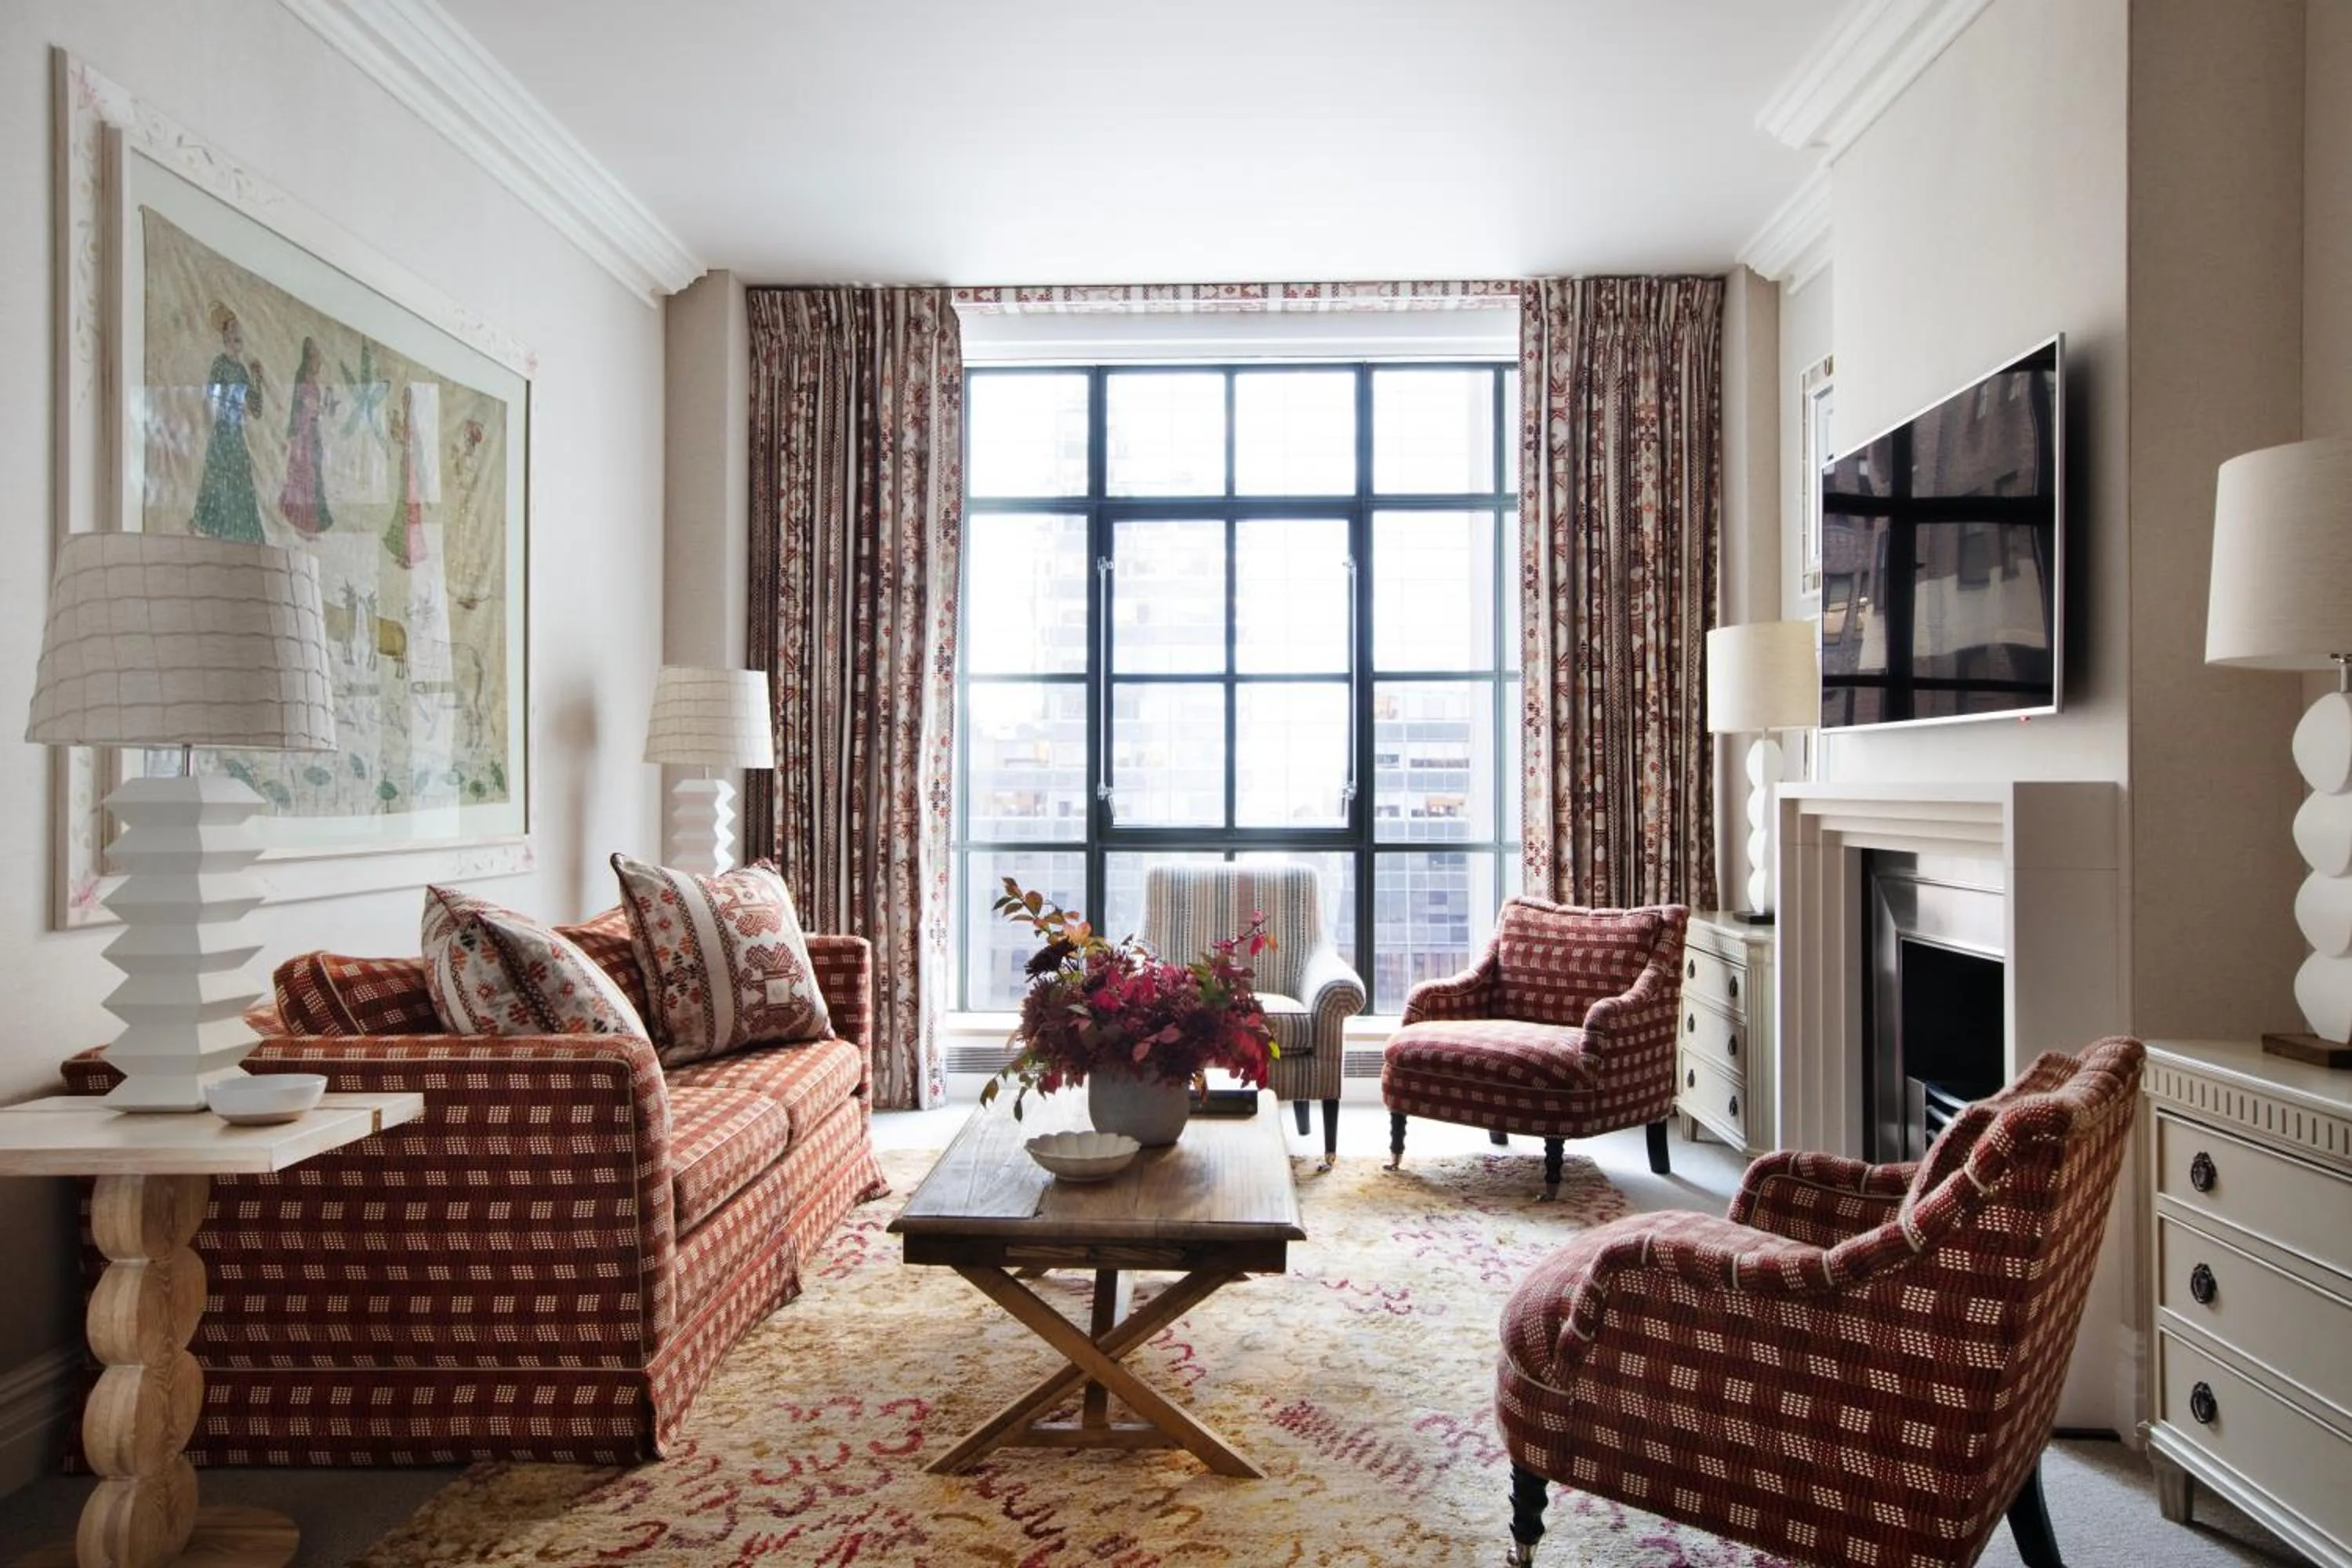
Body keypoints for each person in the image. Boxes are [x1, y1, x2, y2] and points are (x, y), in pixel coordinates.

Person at [190, 303, 265, 543]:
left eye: (239, 332)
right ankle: (210, 527)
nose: (237, 337)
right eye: (232, 332)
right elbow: (212, 399)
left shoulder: (242, 371)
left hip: (236, 435)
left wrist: (257, 381)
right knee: (219, 480)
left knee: (239, 481)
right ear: (225, 337)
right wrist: (231, 406)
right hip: (224, 432)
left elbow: (257, 410)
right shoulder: (219, 365)